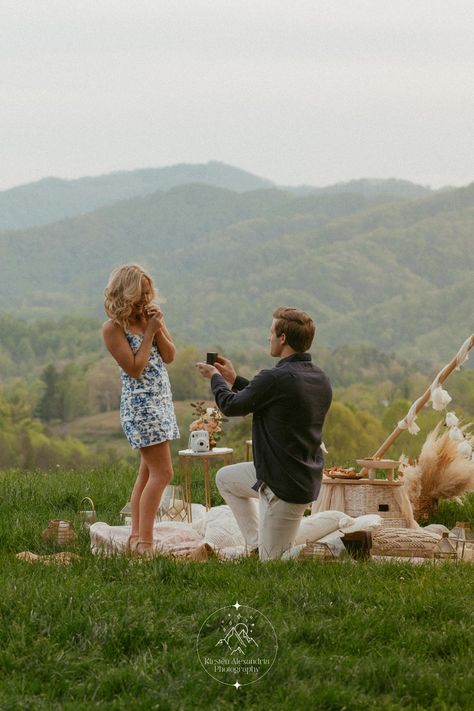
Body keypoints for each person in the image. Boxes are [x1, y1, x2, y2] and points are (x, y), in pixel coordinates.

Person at [196, 307, 332, 560]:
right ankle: (257, 544)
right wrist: (234, 379)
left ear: (283, 338)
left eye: (271, 332)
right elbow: (270, 398)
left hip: (284, 485)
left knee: (273, 564)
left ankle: (340, 544)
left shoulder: (276, 377)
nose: (268, 337)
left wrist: (215, 378)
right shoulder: (318, 377)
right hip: (293, 474)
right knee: (225, 478)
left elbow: (231, 406)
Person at [102, 263, 179, 556]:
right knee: (164, 474)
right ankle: (146, 542)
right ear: (126, 294)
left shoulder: (151, 318)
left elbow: (170, 356)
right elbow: (135, 368)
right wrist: (148, 334)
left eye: (149, 293)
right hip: (141, 407)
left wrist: (157, 327)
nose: (147, 299)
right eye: (141, 294)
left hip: (161, 401)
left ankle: (136, 536)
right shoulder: (113, 328)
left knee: (147, 474)